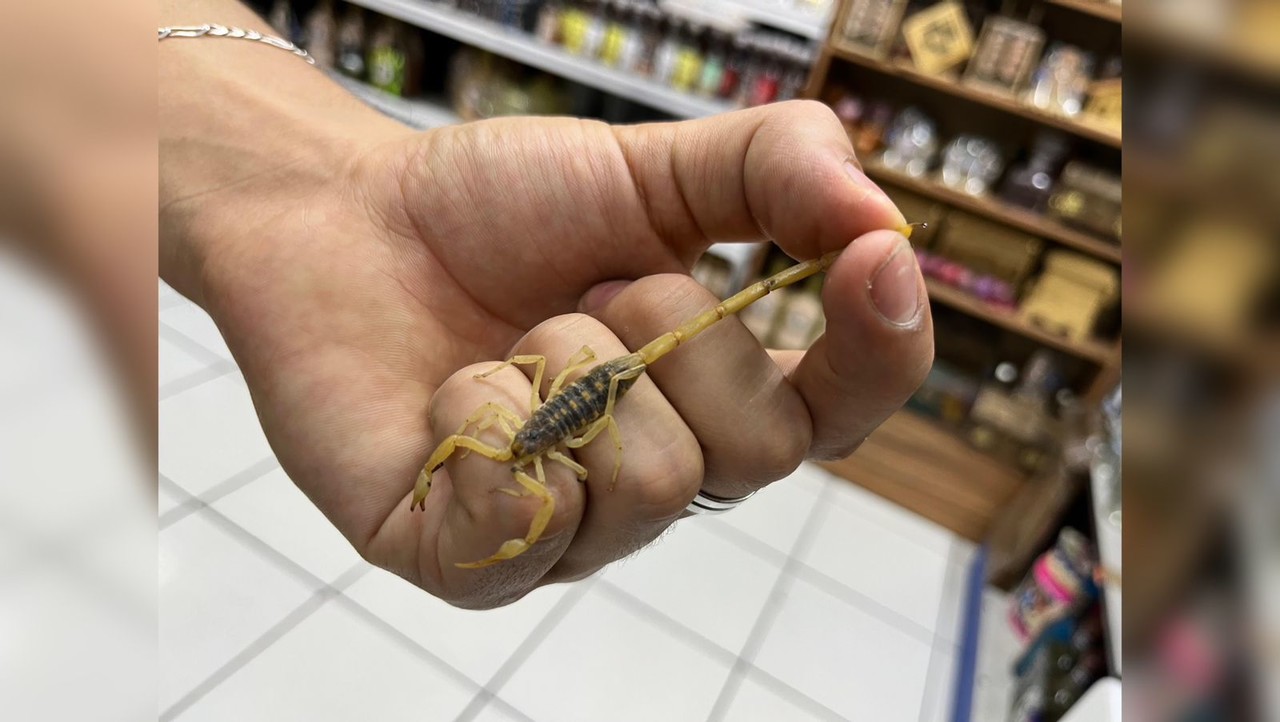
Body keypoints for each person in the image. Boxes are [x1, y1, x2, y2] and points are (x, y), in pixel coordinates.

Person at [159, 0, 934, 610]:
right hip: (577, 403)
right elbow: (544, 418)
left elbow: (576, 417)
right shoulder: (511, 443)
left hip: (587, 394)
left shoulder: (513, 440)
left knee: (572, 436)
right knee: (542, 446)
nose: (506, 457)